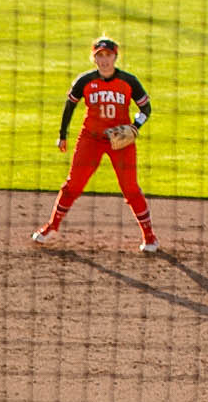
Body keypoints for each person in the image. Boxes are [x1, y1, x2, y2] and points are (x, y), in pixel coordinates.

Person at [33, 36, 159, 253]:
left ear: (115, 57)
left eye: (108, 55)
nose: (104, 60)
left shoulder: (129, 81)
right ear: (94, 58)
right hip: (90, 139)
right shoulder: (85, 81)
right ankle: (52, 227)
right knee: (73, 185)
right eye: (100, 55)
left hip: (120, 142)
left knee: (130, 188)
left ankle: (149, 237)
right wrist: (63, 135)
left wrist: (135, 126)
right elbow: (70, 106)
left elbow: (146, 108)